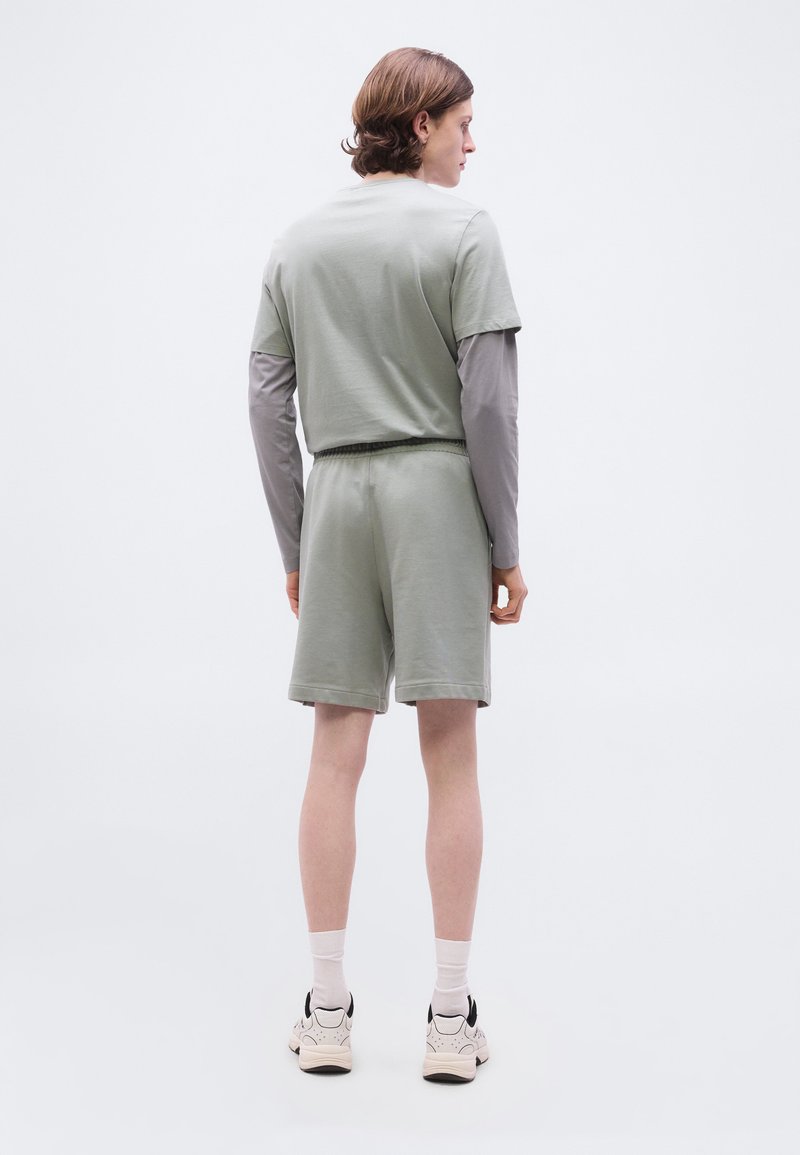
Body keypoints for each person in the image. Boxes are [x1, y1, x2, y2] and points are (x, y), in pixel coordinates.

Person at [248, 46, 527, 1082]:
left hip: (337, 497)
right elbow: (488, 405)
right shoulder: (466, 232)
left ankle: (326, 1009)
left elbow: (265, 401)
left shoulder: (297, 242)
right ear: (419, 126)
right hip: (435, 495)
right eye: (462, 123)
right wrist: (504, 544)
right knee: (449, 751)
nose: (471, 143)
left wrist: (298, 540)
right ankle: (449, 1019)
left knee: (335, 751)